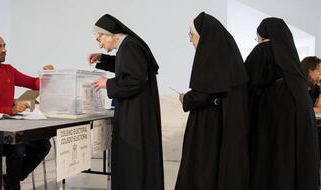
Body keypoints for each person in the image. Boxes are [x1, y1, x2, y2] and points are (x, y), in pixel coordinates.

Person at [87, 14, 164, 190]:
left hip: (135, 115)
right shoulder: (127, 45)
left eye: (100, 40)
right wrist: (102, 58)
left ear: (112, 34)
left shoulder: (129, 46)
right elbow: (126, 65)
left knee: (133, 159)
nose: (100, 44)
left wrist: (108, 83)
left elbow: (136, 78)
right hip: (136, 111)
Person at [174, 12, 250, 190]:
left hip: (210, 126)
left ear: (202, 35)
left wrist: (186, 98)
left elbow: (201, 95)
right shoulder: (228, 57)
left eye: (191, 35)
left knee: (203, 170)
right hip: (225, 125)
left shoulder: (209, 58)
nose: (190, 40)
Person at [0, 33, 52, 190]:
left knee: (44, 145)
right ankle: (13, 185)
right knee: (18, 147)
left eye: (5, 46)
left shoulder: (8, 70)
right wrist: (10, 109)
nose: (4, 50)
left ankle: (10, 179)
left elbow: (33, 83)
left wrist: (47, 75)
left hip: (12, 125)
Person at [245, 18, 319, 190]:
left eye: (259, 39)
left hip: (272, 120)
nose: (259, 43)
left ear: (265, 38)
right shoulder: (293, 66)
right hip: (296, 123)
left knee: (273, 165)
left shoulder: (263, 50)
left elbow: (248, 83)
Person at [301, 56, 321, 157]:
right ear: (310, 71)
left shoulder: (315, 88)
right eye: (318, 71)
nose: (320, 74)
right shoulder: (300, 88)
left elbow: (319, 108)